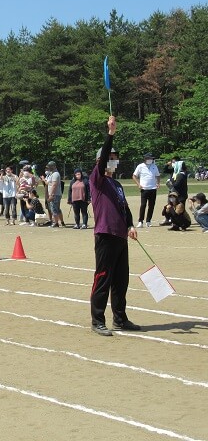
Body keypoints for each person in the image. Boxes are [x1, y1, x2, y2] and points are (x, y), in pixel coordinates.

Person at [89, 115, 140, 336]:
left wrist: (130, 225)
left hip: (120, 236)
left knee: (121, 280)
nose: (114, 161)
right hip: (105, 234)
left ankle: (120, 318)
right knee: (103, 277)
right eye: (110, 157)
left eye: (115, 158)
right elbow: (102, 162)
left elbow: (124, 208)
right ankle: (97, 320)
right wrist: (110, 134)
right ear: (101, 161)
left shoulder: (117, 184)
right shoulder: (97, 178)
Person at [132, 153, 160, 228]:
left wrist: (158, 183)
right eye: (149, 159)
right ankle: (140, 221)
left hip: (153, 189)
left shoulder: (154, 166)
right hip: (144, 189)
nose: (150, 160)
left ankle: (148, 221)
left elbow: (157, 175)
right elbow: (134, 176)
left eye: (151, 159)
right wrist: (138, 184)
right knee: (143, 205)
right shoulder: (140, 166)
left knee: (151, 205)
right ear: (145, 159)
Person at [45, 161, 64, 228]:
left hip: (55, 194)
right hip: (55, 194)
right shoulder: (51, 174)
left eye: (50, 166)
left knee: (54, 209)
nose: (49, 168)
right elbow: (48, 183)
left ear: (54, 166)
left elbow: (54, 185)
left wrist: (51, 195)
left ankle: (56, 223)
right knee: (57, 209)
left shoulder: (55, 174)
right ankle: (62, 222)